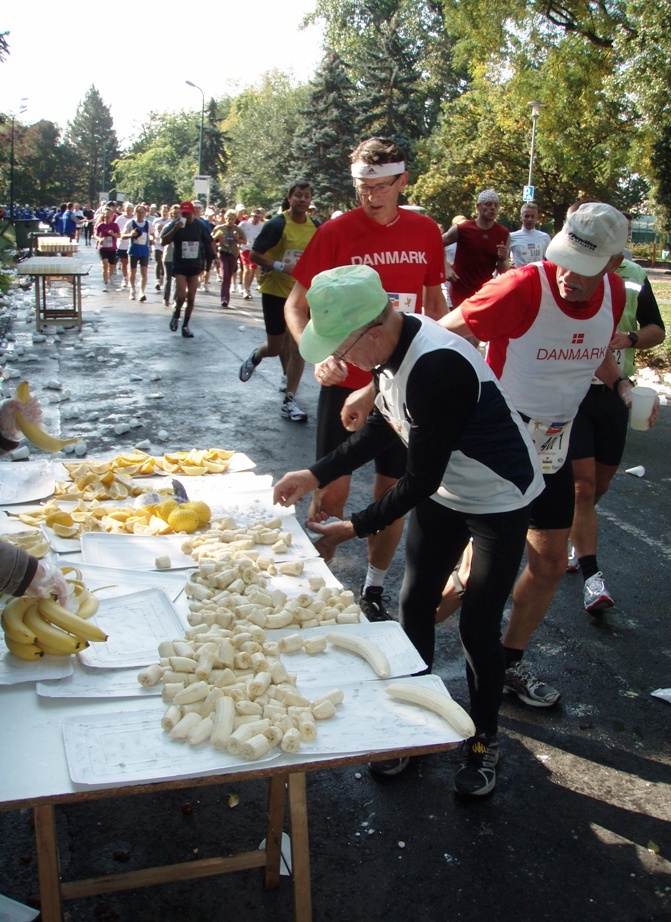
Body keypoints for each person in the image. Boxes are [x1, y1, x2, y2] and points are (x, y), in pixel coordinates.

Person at [274, 264, 544, 794]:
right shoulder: (392, 343)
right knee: (414, 603)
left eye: (343, 347)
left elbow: (419, 478)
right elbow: (386, 423)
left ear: (374, 330)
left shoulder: (436, 366)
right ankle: (419, 728)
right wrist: (316, 473)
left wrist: (352, 526)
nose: (342, 360)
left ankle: (484, 739)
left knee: (476, 627)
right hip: (447, 493)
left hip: (499, 498)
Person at [435, 202, 660, 707]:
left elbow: (593, 346)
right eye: (563, 260)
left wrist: (621, 384)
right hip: (498, 448)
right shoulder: (523, 285)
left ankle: (507, 664)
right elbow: (441, 334)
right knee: (474, 578)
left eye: (584, 270)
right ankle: (408, 652)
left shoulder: (615, 291)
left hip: (552, 448)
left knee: (552, 564)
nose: (568, 278)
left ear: (612, 262)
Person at [283, 137, 446, 620]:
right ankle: (317, 582)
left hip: (401, 382)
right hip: (345, 378)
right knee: (330, 487)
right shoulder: (335, 231)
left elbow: (435, 308)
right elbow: (297, 304)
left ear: (402, 181)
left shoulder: (426, 231)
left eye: (380, 186)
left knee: (390, 494)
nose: (370, 196)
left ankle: (372, 591)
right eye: (361, 187)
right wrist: (322, 357)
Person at [567, 207, 665, 609]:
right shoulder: (567, 276)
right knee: (583, 486)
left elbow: (657, 330)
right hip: (571, 392)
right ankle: (594, 577)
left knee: (599, 486)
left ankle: (577, 534)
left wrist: (628, 340)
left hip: (613, 392)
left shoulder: (634, 279)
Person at [239, 181, 319, 424]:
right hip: (275, 290)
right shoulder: (277, 224)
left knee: (299, 345)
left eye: (306, 196)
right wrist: (282, 266)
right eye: (298, 196)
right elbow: (254, 255)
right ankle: (257, 355)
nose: (302, 200)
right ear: (290, 198)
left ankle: (289, 400)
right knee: (276, 347)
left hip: (301, 294)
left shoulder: (316, 226)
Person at [442, 190, 510, 307]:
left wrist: (503, 259)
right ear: (478, 207)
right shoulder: (462, 229)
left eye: (496, 205)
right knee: (461, 324)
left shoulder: (503, 233)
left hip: (485, 291)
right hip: (461, 290)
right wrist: (446, 267)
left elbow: (502, 269)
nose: (492, 208)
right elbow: (436, 243)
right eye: (488, 204)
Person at [160, 201, 216, 338]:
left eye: (187, 214)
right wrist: (175, 230)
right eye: (183, 213)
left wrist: (215, 257)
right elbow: (163, 241)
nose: (185, 216)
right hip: (180, 264)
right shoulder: (176, 224)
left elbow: (209, 242)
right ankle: (176, 312)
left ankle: (185, 325)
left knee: (191, 297)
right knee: (181, 296)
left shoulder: (199, 225)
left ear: (192, 213)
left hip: (195, 265)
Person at [213, 210, 246, 308]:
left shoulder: (238, 229)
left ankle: (226, 297)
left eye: (232, 219)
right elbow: (211, 240)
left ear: (235, 219)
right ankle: (224, 298)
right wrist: (217, 238)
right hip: (223, 253)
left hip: (233, 254)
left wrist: (237, 239)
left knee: (229, 276)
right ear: (225, 218)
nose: (229, 221)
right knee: (225, 276)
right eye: (228, 218)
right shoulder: (220, 228)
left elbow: (244, 241)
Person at [122, 203, 153, 302]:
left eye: (142, 212)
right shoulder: (131, 223)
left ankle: (142, 292)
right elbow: (122, 235)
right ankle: (132, 289)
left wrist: (152, 239)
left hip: (144, 250)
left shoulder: (148, 224)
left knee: (144, 272)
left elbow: (152, 234)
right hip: (133, 250)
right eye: (138, 212)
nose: (140, 214)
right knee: (133, 271)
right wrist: (131, 235)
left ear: (145, 213)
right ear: (135, 213)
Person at [508, 203, 552, 268]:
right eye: (526, 216)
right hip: (520, 276)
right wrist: (508, 266)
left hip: (538, 276)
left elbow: (550, 260)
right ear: (521, 218)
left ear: (536, 218)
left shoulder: (545, 237)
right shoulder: (511, 237)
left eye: (532, 216)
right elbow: (502, 259)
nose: (529, 219)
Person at [238, 209, 265, 299]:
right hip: (245, 249)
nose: (256, 219)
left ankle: (247, 288)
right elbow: (237, 233)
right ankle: (245, 290)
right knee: (247, 269)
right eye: (254, 216)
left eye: (258, 217)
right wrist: (238, 242)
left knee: (253, 269)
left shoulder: (262, 225)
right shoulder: (244, 224)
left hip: (255, 250)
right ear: (251, 216)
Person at [94, 206, 120, 292]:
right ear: (103, 216)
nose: (107, 217)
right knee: (104, 265)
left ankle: (111, 276)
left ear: (112, 216)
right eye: (105, 215)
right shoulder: (100, 225)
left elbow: (119, 235)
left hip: (112, 248)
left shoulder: (115, 225)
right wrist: (99, 239)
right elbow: (95, 235)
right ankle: (105, 284)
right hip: (102, 248)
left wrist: (113, 234)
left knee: (111, 266)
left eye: (108, 215)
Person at [115, 203, 135, 289]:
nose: (129, 211)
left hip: (132, 244)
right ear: (124, 209)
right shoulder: (120, 219)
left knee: (132, 263)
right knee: (124, 262)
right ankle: (125, 278)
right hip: (122, 244)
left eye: (130, 209)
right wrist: (118, 236)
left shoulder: (135, 219)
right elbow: (115, 229)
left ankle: (131, 279)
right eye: (127, 209)